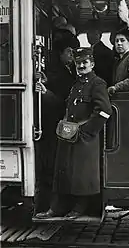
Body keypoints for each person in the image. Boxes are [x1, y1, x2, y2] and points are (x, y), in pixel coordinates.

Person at [35, 48, 112, 219]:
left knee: (81, 176)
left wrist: (85, 132)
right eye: (78, 63)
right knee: (65, 174)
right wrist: (45, 93)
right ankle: (57, 208)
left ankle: (79, 209)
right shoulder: (76, 84)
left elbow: (104, 111)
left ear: (92, 64)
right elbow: (63, 107)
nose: (81, 66)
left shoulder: (97, 84)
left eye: (85, 62)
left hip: (84, 138)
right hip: (69, 134)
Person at [34, 42, 77, 215]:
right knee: (53, 164)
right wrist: (47, 93)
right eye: (68, 51)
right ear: (60, 54)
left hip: (62, 125)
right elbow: (60, 101)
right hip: (54, 126)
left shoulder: (66, 70)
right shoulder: (59, 73)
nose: (72, 55)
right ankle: (51, 206)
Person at [108, 28, 129, 95]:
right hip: (120, 98)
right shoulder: (119, 60)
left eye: (122, 40)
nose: (119, 43)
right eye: (116, 41)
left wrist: (116, 87)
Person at [87, 22, 114, 87]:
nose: (90, 36)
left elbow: (104, 73)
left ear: (100, 35)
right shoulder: (89, 50)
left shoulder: (106, 52)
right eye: (88, 33)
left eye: (94, 33)